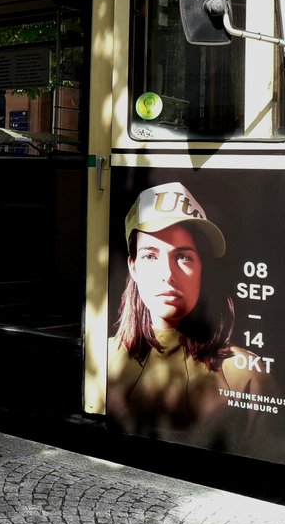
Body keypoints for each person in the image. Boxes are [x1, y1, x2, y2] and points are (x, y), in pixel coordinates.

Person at [107, 181, 264, 435]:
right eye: (150, 255)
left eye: (183, 256)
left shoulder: (244, 372)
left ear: (202, 267)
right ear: (133, 267)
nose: (167, 275)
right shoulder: (103, 356)